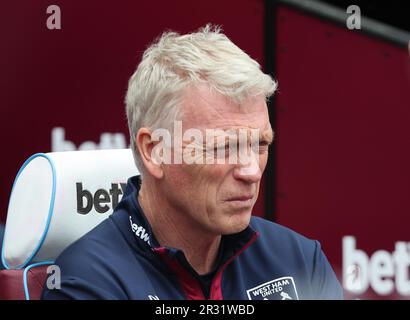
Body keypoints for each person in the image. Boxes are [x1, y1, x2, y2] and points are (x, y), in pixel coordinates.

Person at [42, 25, 343, 300]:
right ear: (155, 150)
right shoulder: (86, 281)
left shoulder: (301, 261)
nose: (251, 171)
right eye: (224, 147)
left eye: (260, 144)